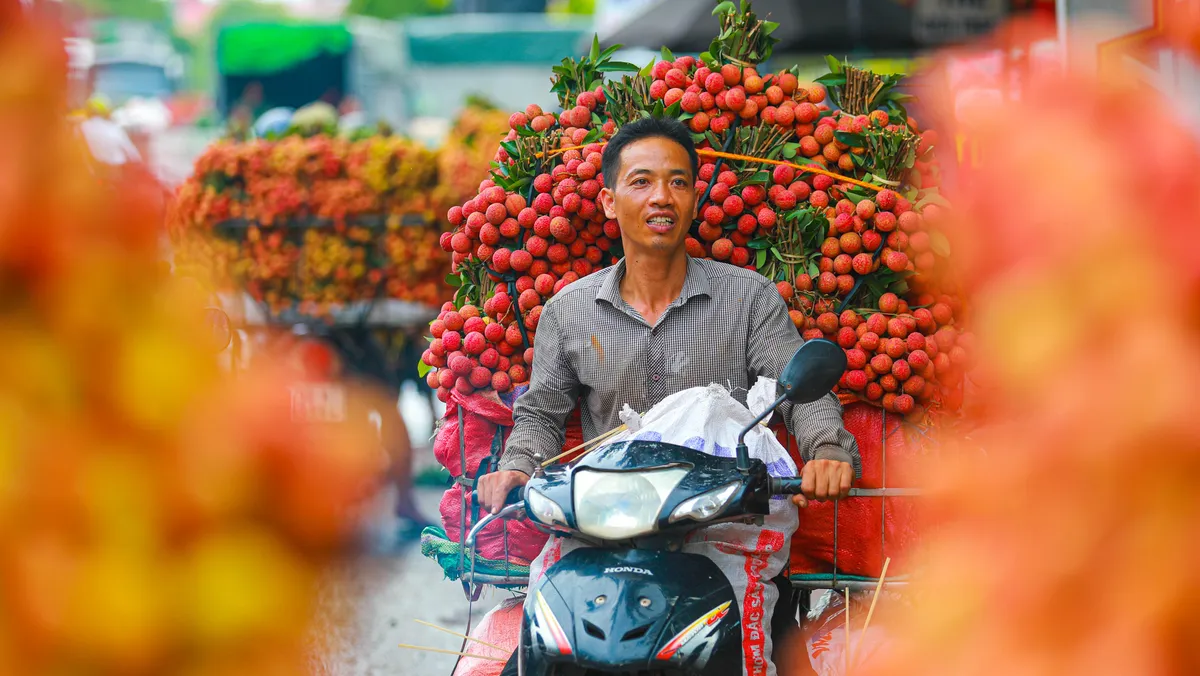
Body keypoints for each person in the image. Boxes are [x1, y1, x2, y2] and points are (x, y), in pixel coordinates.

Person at [478, 116, 861, 674]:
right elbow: (542, 412)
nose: (662, 196)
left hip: (717, 524)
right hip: (603, 527)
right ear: (609, 201)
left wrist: (828, 450)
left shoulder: (746, 298)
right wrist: (516, 466)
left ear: (693, 197)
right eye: (642, 181)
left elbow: (796, 389)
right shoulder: (570, 309)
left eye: (678, 182)